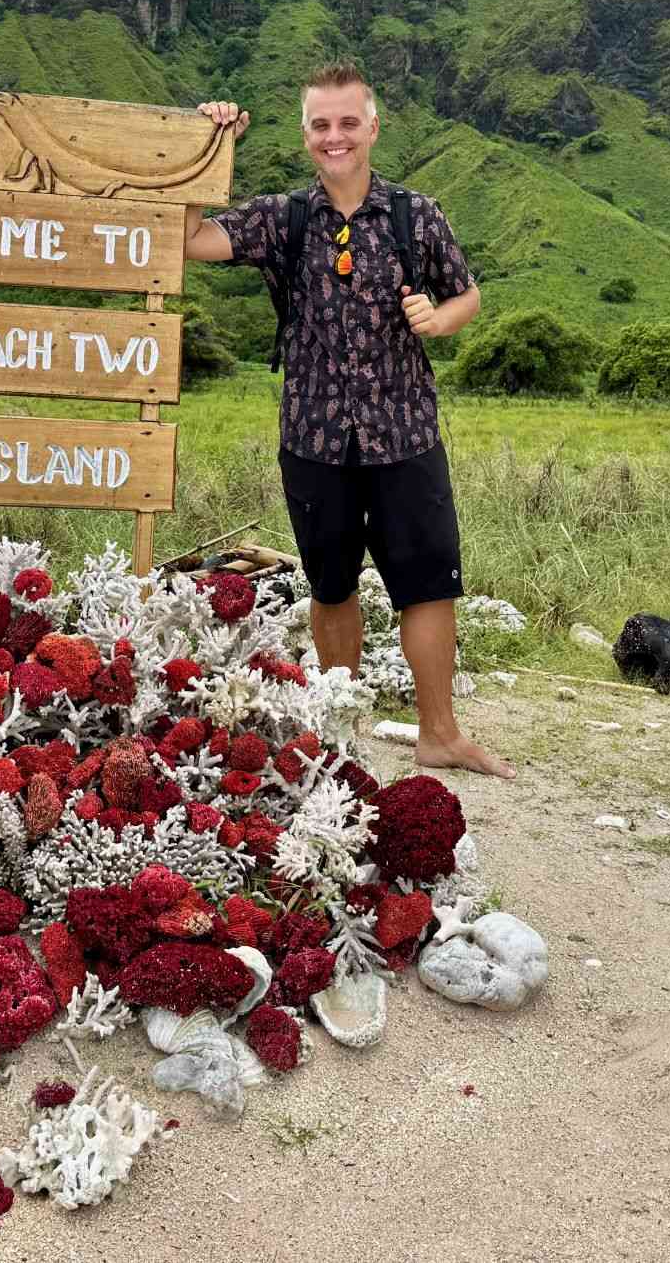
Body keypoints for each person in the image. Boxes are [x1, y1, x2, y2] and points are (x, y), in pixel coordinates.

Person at [183, 61, 511, 778]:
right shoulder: (284, 218)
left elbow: (467, 295)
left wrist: (438, 319)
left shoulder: (415, 215)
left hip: (406, 431)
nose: (336, 137)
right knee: (332, 586)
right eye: (321, 125)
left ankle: (440, 733)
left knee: (429, 584)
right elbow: (191, 239)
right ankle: (338, 738)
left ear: (373, 127)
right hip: (314, 437)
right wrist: (210, 149)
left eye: (348, 123)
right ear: (305, 133)